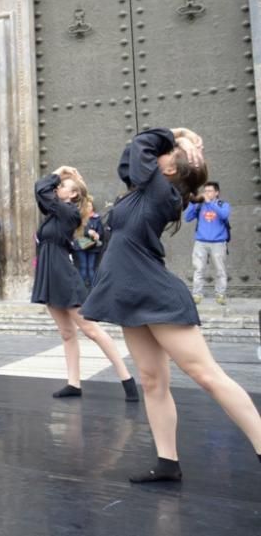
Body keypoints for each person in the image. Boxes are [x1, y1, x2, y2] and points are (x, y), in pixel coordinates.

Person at [82, 128, 261, 481]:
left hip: (155, 294)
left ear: (167, 171)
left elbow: (140, 144)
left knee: (206, 375)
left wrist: (179, 134)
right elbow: (129, 156)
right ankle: (168, 463)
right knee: (151, 380)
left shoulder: (163, 194)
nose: (159, 152)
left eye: (168, 152)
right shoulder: (145, 189)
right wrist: (178, 142)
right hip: (129, 294)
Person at [32, 167, 138, 401]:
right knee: (67, 333)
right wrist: (62, 177)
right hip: (49, 273)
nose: (57, 187)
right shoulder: (53, 212)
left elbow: (41, 187)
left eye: (63, 187)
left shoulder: (68, 212)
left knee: (91, 330)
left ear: (73, 196)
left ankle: (127, 379)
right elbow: (41, 192)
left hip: (62, 273)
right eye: (58, 185)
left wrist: (58, 172)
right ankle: (74, 383)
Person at [184, 181, 230, 305]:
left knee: (220, 270)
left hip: (218, 243)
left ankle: (220, 295)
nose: (207, 193)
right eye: (205, 191)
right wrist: (192, 203)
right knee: (199, 269)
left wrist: (210, 203)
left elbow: (224, 215)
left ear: (216, 193)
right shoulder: (200, 206)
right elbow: (187, 218)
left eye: (210, 191)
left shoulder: (223, 205)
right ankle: (197, 295)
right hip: (201, 242)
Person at [73, 196, 103, 289]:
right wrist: (88, 231)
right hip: (80, 244)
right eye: (87, 206)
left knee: (91, 268)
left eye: (90, 206)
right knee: (83, 267)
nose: (89, 208)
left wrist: (97, 234)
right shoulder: (79, 217)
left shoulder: (97, 218)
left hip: (93, 246)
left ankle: (93, 289)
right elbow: (76, 230)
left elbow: (101, 230)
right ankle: (82, 289)